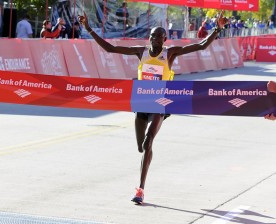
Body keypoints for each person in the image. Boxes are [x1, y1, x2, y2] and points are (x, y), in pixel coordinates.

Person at [78, 10, 227, 205]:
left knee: (149, 143)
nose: (154, 39)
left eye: (158, 36)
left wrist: (217, 28)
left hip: (160, 102)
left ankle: (140, 189)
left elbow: (200, 46)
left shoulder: (170, 53)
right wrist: (88, 28)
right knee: (141, 146)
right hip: (142, 102)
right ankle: (145, 152)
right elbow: (110, 48)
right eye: (152, 36)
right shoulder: (141, 51)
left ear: (164, 39)